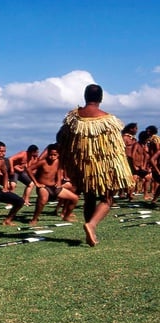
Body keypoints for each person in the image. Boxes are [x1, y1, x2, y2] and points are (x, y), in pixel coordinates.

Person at [57, 84, 134, 247]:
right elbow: (116, 148)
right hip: (103, 167)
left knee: (89, 198)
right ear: (101, 98)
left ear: (85, 97)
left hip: (82, 166)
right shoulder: (109, 120)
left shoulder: (73, 118)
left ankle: (89, 233)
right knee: (107, 199)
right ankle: (91, 225)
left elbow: (60, 137)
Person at [26, 143, 78, 225]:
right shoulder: (42, 162)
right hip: (43, 187)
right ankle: (34, 219)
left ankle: (66, 216)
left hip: (54, 187)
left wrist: (59, 182)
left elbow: (58, 171)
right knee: (43, 200)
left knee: (75, 198)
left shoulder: (58, 161)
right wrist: (36, 183)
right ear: (48, 154)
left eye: (55, 155)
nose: (52, 157)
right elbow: (28, 169)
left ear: (58, 154)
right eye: (50, 154)